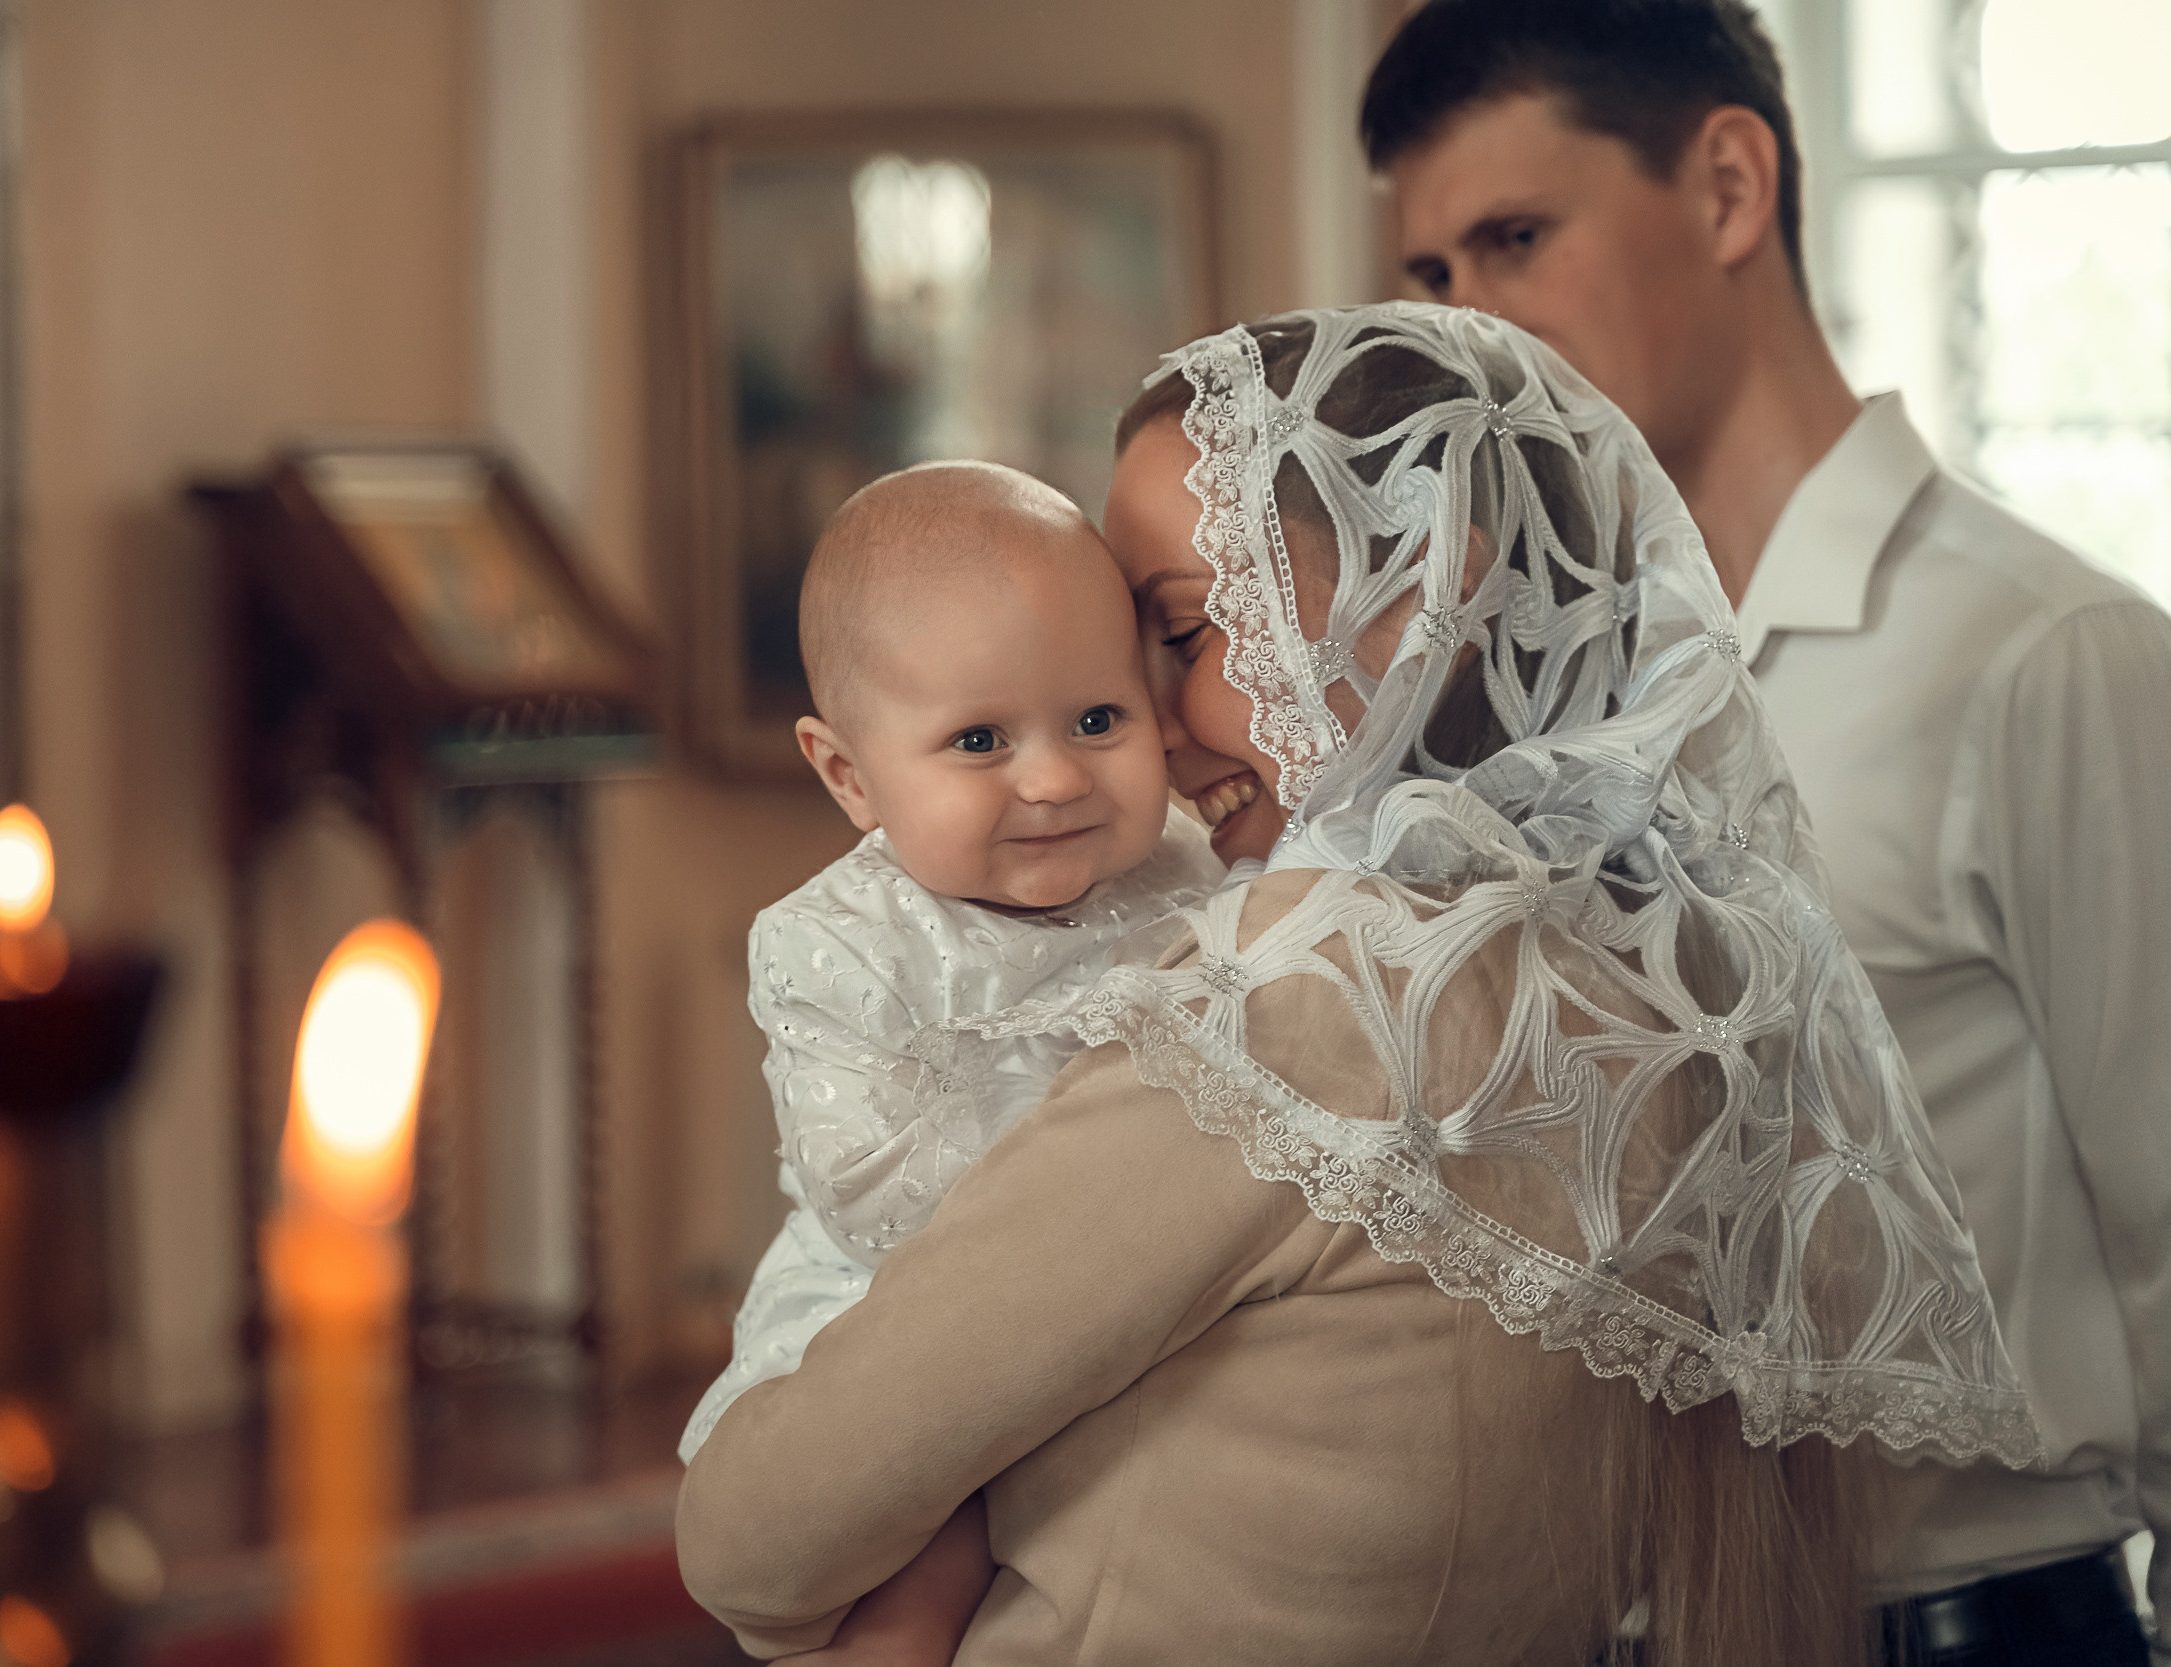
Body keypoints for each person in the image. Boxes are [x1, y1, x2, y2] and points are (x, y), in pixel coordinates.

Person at [677, 303, 2037, 1667]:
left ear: (1420, 602)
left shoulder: (1294, 1008)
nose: (1148, 724)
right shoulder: (1643, 991)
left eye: (1188, 630)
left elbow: (754, 1531)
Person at [1361, 5, 2171, 1660]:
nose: (1469, 330)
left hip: (1977, 1621)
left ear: (1730, 186)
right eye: (1434, 274)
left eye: (1516, 239)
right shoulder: (1532, 700)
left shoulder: (2043, 655)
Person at [681, 460, 1221, 1661]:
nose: (1055, 776)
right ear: (849, 775)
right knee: (928, 1552)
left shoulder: (1194, 870)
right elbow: (868, 1185)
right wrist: (1104, 1193)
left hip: (1148, 1287)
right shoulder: (835, 942)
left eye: (1098, 719)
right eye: (979, 739)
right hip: (916, 1303)